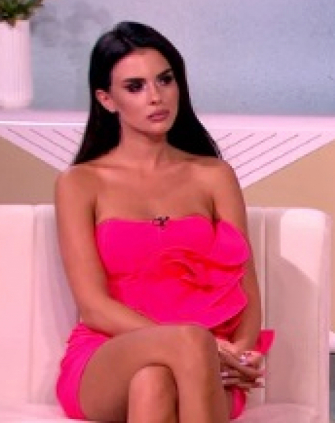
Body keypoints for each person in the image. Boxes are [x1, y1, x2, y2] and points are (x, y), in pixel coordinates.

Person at [54, 21, 272, 422]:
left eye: (165, 80)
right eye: (135, 87)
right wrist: (195, 343)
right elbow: (94, 306)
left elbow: (247, 287)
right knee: (184, 344)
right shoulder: (80, 183)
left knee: (154, 381)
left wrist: (241, 352)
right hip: (109, 350)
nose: (156, 97)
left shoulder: (213, 175)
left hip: (210, 360)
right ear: (107, 99)